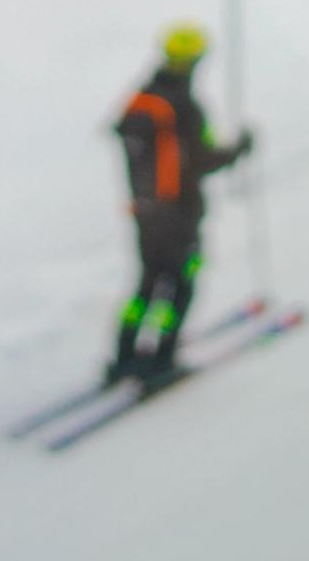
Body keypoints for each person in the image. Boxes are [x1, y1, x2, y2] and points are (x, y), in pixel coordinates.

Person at [107, 21, 254, 384]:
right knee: (180, 285)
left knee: (146, 284)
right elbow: (200, 160)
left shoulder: (144, 98)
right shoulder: (184, 107)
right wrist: (238, 150)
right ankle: (162, 358)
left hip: (145, 213)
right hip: (179, 215)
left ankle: (124, 355)